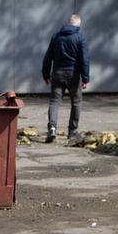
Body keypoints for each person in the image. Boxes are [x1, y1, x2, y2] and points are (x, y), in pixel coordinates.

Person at [42, 13, 90, 143]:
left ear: (69, 23)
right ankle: (73, 132)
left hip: (57, 73)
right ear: (78, 24)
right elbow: (84, 60)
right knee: (76, 102)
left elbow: (48, 57)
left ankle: (52, 128)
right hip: (74, 74)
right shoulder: (80, 38)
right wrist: (85, 78)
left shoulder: (56, 37)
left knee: (54, 102)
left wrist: (45, 74)